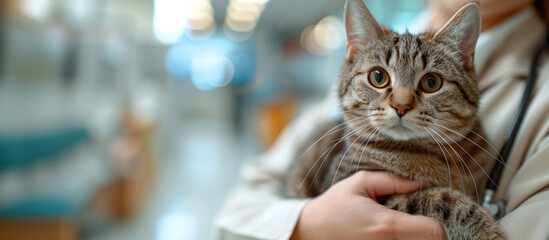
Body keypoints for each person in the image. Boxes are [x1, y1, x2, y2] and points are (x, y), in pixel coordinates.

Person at [214, 0, 549, 239]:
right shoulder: (344, 105)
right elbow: (231, 219)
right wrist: (307, 224)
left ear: (466, 53)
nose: (401, 103)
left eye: (430, 83)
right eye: (378, 78)